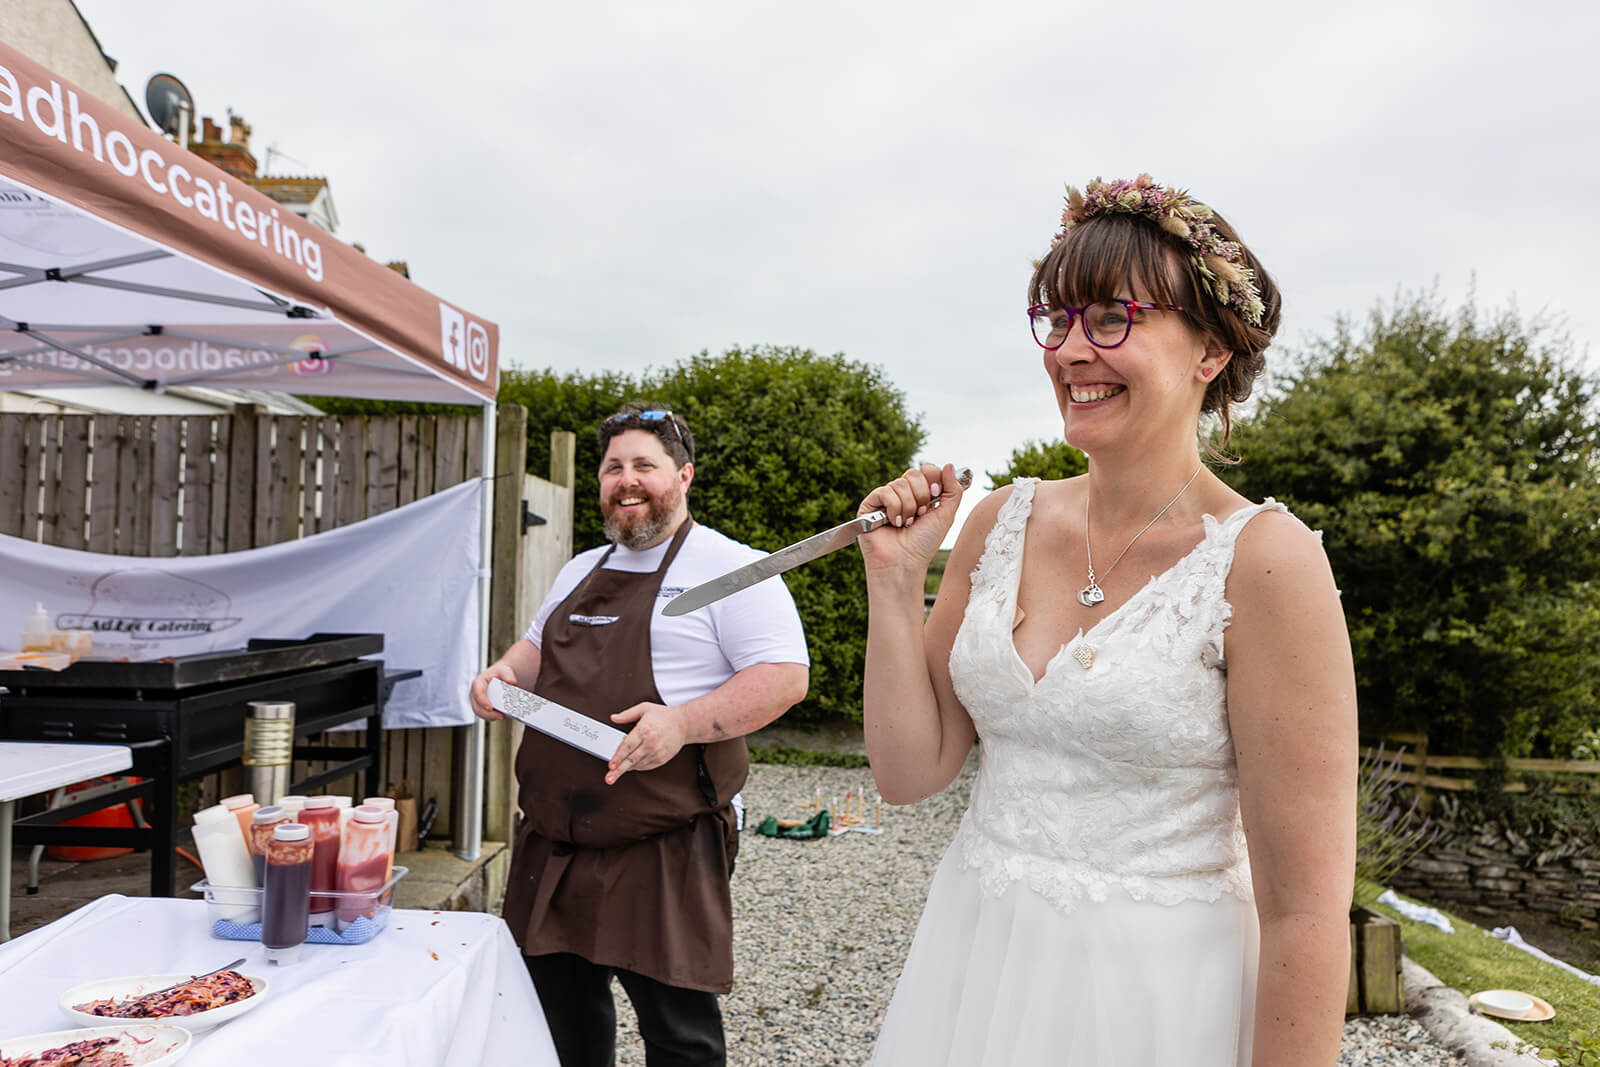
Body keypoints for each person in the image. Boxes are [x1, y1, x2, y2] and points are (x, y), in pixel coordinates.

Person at [857, 175, 1358, 1066]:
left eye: (1113, 318)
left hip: (1155, 1003)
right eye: (1059, 319)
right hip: (976, 958)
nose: (1072, 350)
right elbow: (909, 769)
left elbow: (1307, 910)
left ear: (1209, 349)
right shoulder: (997, 520)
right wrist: (895, 587)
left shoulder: (1268, 562)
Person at [469, 402, 809, 1067]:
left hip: (664, 838)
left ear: (683, 476)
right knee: (556, 1016)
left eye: (644, 465)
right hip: (554, 837)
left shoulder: (730, 568)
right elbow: (536, 649)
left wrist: (682, 723)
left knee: (678, 1030)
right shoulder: (578, 568)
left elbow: (784, 676)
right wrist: (505, 673)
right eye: (612, 467)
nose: (626, 480)